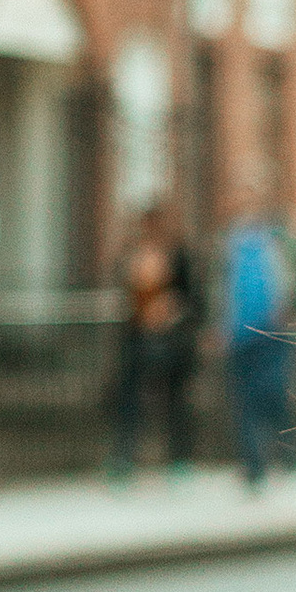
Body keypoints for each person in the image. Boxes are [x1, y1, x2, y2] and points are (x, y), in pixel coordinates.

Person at [108, 203, 200, 478]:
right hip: (138, 337)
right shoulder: (131, 256)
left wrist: (172, 310)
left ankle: (179, 459)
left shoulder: (179, 256)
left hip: (172, 341)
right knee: (130, 400)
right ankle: (125, 457)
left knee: (174, 401)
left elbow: (193, 299)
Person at [217, 187, 296, 483]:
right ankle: (254, 464)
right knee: (246, 401)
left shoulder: (280, 239)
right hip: (240, 334)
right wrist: (220, 326)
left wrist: (292, 307)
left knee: (275, 393)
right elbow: (220, 289)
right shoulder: (228, 243)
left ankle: (290, 455)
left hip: (273, 331)